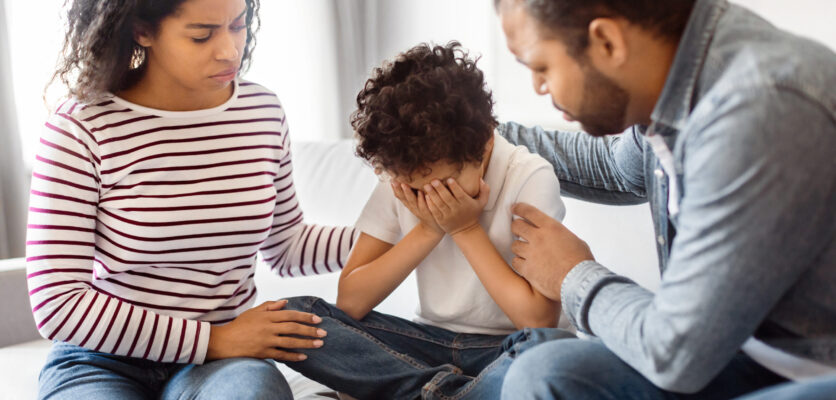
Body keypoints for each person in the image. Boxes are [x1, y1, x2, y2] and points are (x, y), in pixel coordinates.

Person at [489, 0, 836, 398]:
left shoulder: (759, 109)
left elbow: (674, 352)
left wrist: (571, 273)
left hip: (818, 371)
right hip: (750, 355)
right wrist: (487, 138)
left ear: (606, 41)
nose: (538, 86)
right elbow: (616, 168)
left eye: (541, 67)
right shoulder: (678, 72)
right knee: (545, 373)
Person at [26, 0, 356, 398]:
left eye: (239, 25)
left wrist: (399, 229)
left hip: (226, 363)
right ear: (141, 31)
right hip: (102, 356)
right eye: (202, 34)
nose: (230, 50)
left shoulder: (261, 111)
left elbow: (285, 247)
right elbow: (58, 302)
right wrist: (215, 339)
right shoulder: (80, 127)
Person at [281, 41, 570, 399]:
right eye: (417, 189)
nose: (429, 198)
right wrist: (428, 230)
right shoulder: (402, 178)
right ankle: (455, 392)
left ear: (483, 142)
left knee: (551, 350)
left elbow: (537, 319)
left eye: (442, 185)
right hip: (426, 345)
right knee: (299, 316)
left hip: (505, 347)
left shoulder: (528, 177)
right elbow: (351, 300)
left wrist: (464, 229)